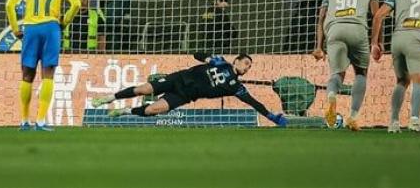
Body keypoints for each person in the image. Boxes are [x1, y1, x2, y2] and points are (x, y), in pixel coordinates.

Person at [91, 52, 287, 127]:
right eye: (246, 63)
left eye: (249, 66)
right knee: (143, 89)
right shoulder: (220, 62)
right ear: (236, 60)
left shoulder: (237, 88)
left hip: (185, 95)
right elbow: (196, 54)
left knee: (152, 110)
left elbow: (254, 103)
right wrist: (208, 58)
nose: (247, 67)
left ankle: (125, 111)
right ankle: (109, 98)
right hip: (179, 79)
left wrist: (271, 116)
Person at [5, 0, 81, 131]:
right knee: (48, 75)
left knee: (27, 75)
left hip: (30, 28)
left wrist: (16, 29)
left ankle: (24, 121)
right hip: (51, 28)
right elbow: (76, 4)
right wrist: (65, 22)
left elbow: (9, 5)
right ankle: (40, 121)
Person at [312, 0, 379, 131]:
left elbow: (320, 20)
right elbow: (377, 16)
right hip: (357, 29)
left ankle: (331, 96)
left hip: (334, 31)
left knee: (337, 74)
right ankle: (353, 117)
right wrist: (376, 42)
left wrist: (318, 47)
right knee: (361, 73)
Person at [371, 0, 420, 133]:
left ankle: (394, 122)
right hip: (418, 38)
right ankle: (414, 120)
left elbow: (378, 16)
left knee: (402, 81)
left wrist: (375, 43)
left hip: (398, 39)